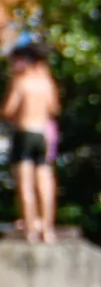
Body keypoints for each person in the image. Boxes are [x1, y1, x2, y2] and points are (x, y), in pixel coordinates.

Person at [5, 41, 60, 242]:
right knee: (44, 180)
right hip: (42, 134)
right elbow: (54, 108)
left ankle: (30, 229)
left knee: (25, 182)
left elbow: (9, 109)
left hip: (25, 133)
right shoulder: (46, 83)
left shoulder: (22, 82)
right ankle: (47, 228)